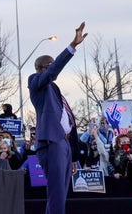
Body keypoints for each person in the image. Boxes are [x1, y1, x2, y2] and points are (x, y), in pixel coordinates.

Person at [28, 22, 87, 214]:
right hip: (52, 142)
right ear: (41, 68)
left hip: (65, 145)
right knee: (56, 193)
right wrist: (72, 46)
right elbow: (52, 73)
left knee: (60, 193)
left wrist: (74, 158)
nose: (54, 67)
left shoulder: (56, 92)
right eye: (50, 64)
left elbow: (71, 124)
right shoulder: (35, 82)